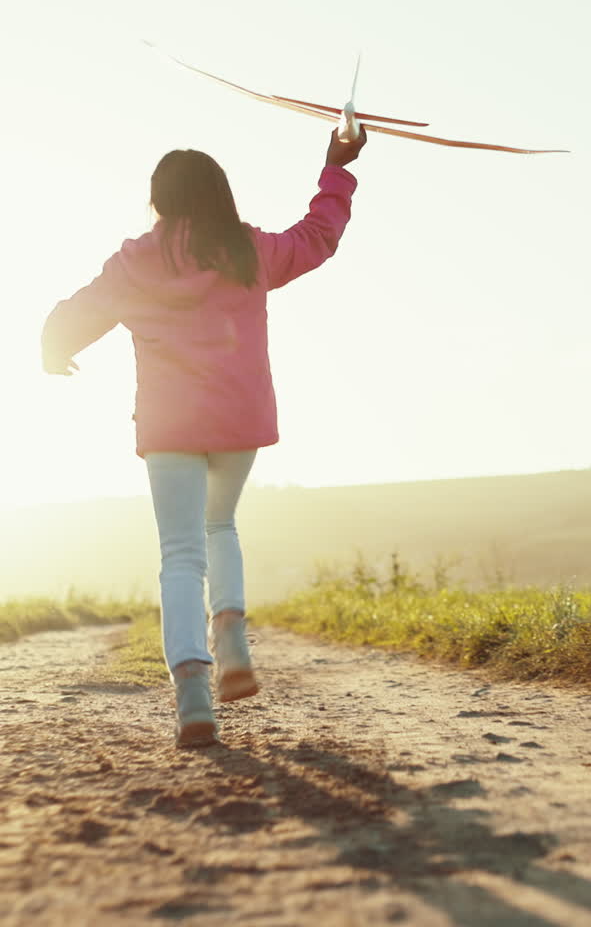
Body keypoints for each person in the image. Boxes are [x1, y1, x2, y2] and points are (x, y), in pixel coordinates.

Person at [41, 126, 367, 746]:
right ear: (219, 195)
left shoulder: (136, 261)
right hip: (237, 418)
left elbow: (80, 310)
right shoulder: (245, 250)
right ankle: (233, 636)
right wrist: (338, 166)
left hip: (169, 425)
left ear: (159, 200)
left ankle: (193, 692)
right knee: (221, 525)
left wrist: (52, 346)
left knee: (180, 553)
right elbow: (318, 236)